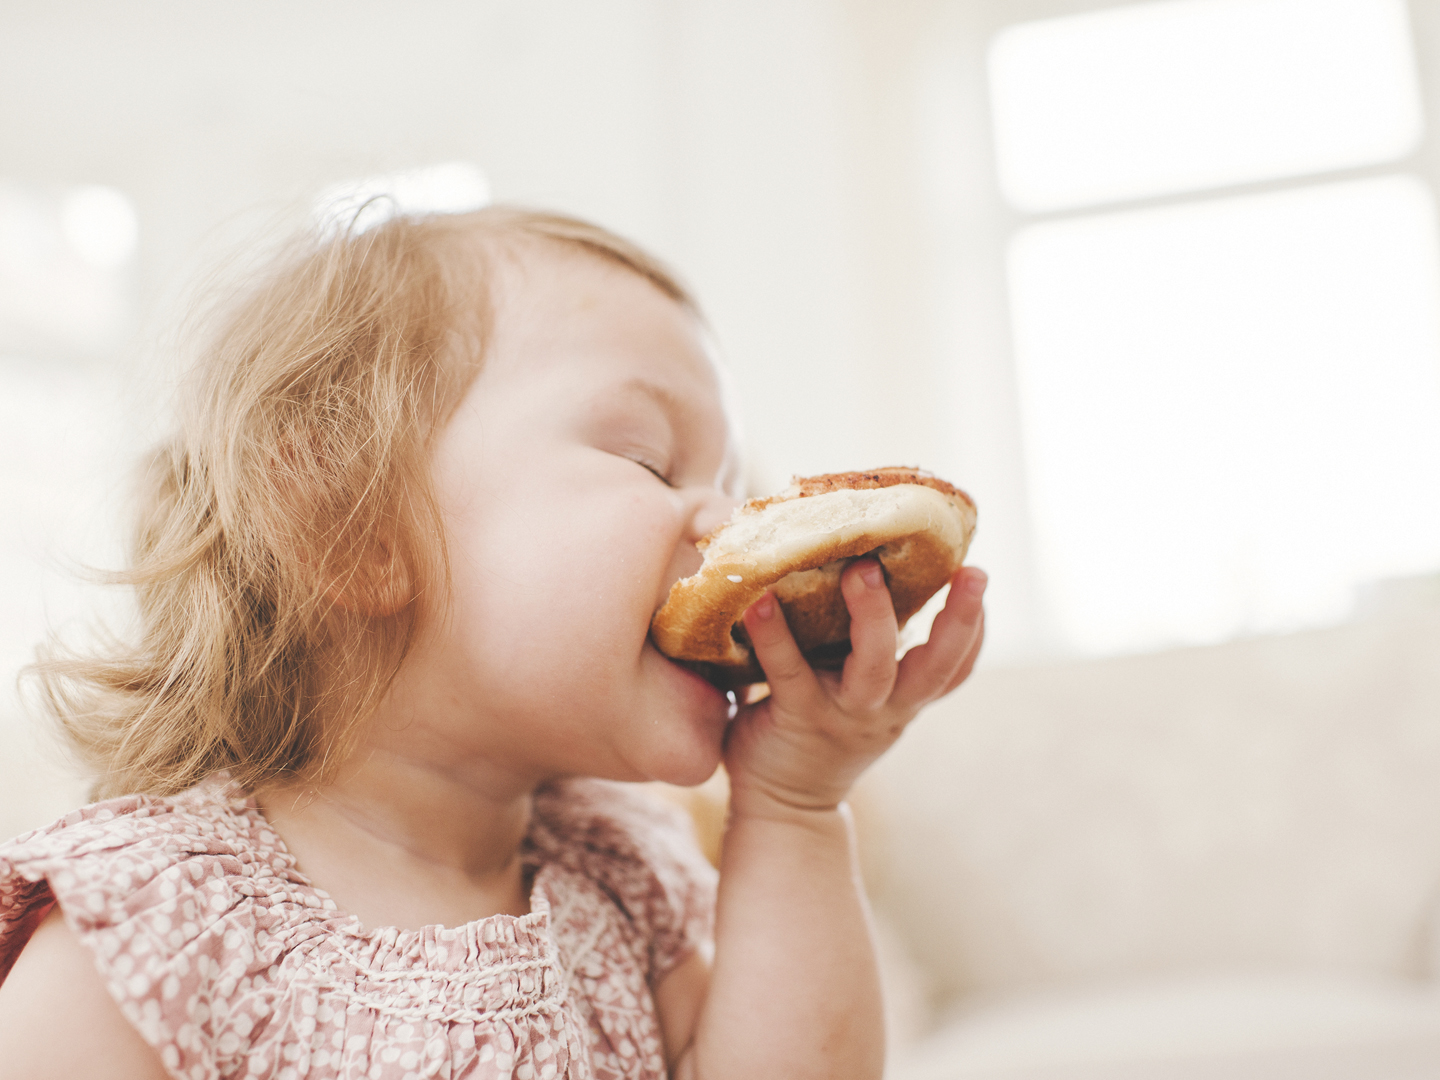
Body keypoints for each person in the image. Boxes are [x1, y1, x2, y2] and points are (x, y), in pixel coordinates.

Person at [0, 206, 986, 1079]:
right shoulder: (163, 925)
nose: (725, 524)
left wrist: (797, 804)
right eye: (646, 459)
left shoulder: (620, 874)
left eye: (731, 480)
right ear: (353, 531)